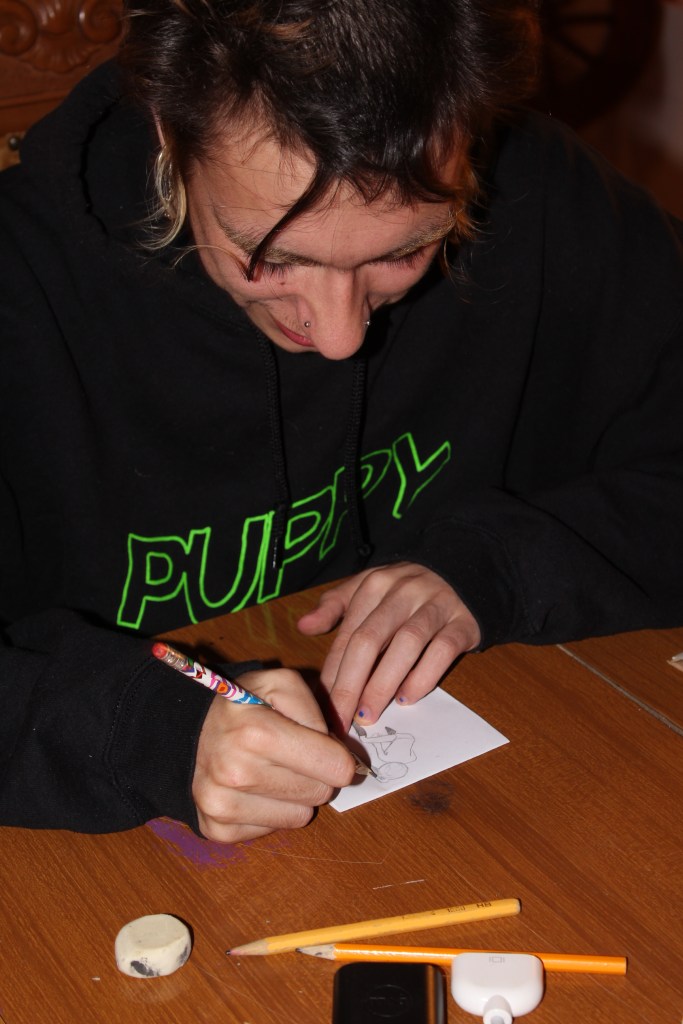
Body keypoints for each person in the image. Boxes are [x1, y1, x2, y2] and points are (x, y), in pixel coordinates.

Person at [1, 0, 682, 843]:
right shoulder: (23, 281)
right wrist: (145, 733)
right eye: (271, 257)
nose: (339, 336)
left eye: (405, 250)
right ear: (170, 137)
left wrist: (506, 567)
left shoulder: (540, 189)